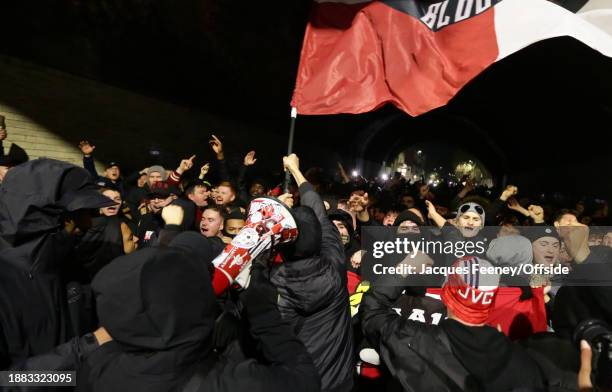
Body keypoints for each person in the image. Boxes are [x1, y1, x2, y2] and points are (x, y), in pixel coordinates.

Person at [76, 232, 320, 392]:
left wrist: (83, 346)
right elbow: (304, 379)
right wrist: (261, 307)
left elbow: (41, 377)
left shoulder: (93, 367)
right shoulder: (232, 382)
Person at [360, 256, 573, 391]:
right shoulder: (523, 362)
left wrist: (404, 268)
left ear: (447, 294)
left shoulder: (412, 340)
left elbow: (372, 311)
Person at [0, 159, 119, 372]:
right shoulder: (5, 288)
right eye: (80, 213)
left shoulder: (73, 270)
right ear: (49, 216)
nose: (88, 224)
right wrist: (79, 355)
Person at [271, 153, 354, 392]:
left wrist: (277, 214)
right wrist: (296, 171)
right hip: (337, 382)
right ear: (320, 236)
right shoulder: (335, 263)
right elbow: (317, 211)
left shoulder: (271, 284)